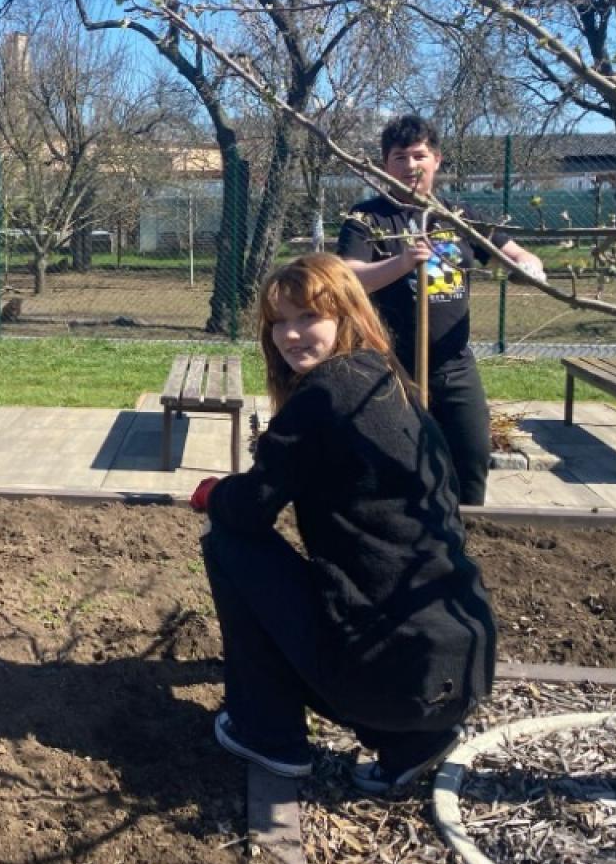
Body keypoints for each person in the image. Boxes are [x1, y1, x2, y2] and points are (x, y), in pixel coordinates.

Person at [190, 254, 496, 793]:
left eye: (308, 317)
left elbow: (250, 508)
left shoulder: (324, 396)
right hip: (462, 665)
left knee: (230, 544)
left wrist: (215, 493)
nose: (290, 334)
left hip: (386, 677)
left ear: (346, 315)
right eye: (278, 322)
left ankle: (269, 733)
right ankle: (411, 741)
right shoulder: (389, 384)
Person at [337, 114, 544, 505]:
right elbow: (349, 277)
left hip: (454, 365)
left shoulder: (458, 216)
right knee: (395, 467)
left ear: (436, 160)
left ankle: (467, 532)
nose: (410, 165)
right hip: (390, 366)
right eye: (399, 157)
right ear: (385, 165)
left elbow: (512, 253)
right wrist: (403, 261)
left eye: (419, 155)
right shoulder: (367, 218)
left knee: (471, 458)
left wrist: (529, 266)